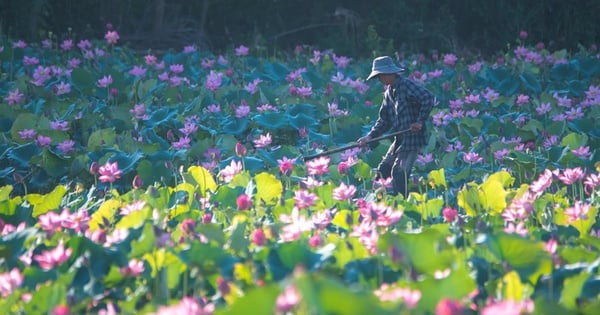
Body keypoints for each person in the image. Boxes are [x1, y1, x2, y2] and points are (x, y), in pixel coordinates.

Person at [357, 56, 434, 198]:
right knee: (383, 170)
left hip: (412, 138)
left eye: (380, 76)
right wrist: (370, 136)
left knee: (399, 173)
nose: (379, 79)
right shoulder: (388, 94)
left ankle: (404, 204)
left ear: (389, 74)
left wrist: (420, 121)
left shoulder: (406, 86)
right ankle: (378, 201)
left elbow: (428, 97)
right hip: (399, 140)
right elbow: (384, 120)